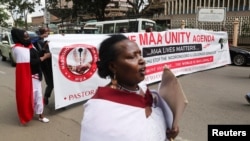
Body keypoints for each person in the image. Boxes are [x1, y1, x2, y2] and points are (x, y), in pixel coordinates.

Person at [80, 34, 186, 141]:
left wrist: (168, 133)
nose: (142, 60)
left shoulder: (143, 89)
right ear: (113, 66)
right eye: (132, 57)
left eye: (140, 55)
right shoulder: (100, 111)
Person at [11, 28, 51, 124]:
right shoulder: (17, 48)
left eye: (27, 34)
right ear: (20, 37)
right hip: (27, 77)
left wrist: (44, 48)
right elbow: (31, 62)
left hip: (36, 76)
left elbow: (36, 56)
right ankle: (27, 113)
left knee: (38, 96)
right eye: (25, 35)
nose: (27, 36)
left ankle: (41, 115)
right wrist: (44, 57)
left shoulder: (30, 45)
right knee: (29, 96)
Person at [33, 27, 53, 105]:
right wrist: (44, 46)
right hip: (45, 65)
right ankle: (46, 97)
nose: (48, 33)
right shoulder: (37, 41)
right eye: (46, 32)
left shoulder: (51, 40)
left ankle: (61, 101)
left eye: (48, 31)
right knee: (51, 83)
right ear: (42, 33)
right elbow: (39, 54)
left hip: (54, 64)